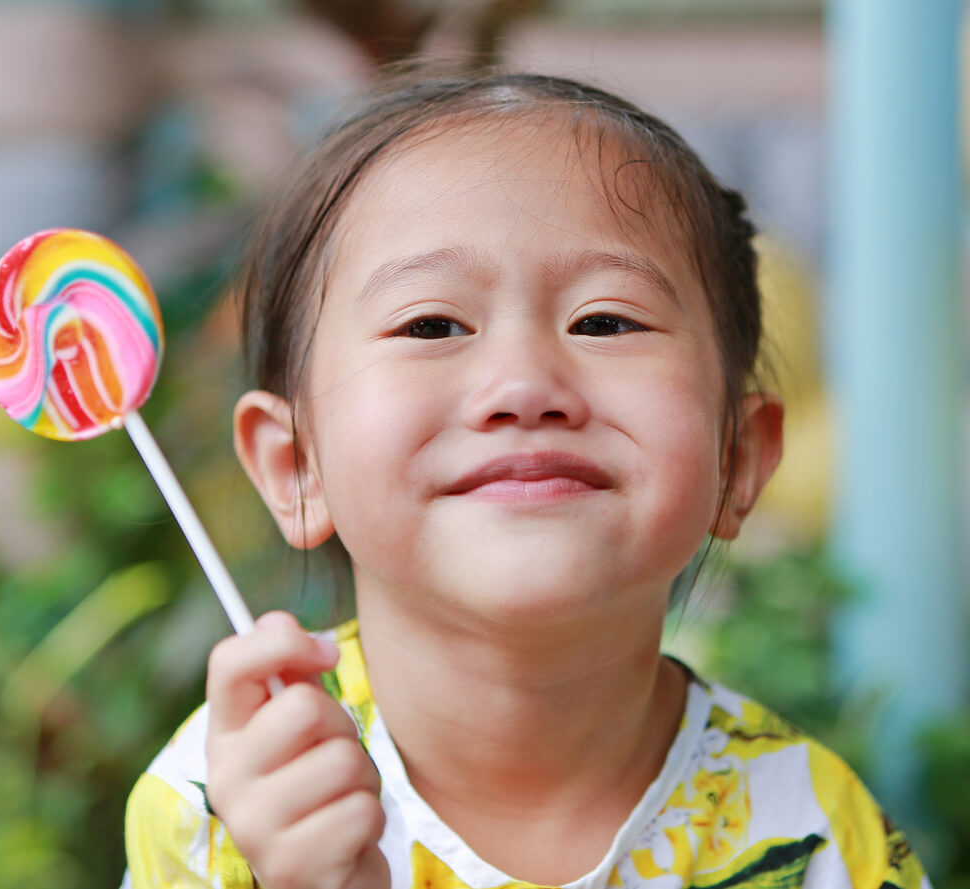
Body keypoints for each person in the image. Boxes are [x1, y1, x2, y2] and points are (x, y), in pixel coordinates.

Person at [121, 70, 929, 889]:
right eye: (430, 324)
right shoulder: (222, 814)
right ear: (296, 465)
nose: (523, 384)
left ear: (739, 458)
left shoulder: (818, 837)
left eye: (605, 320)